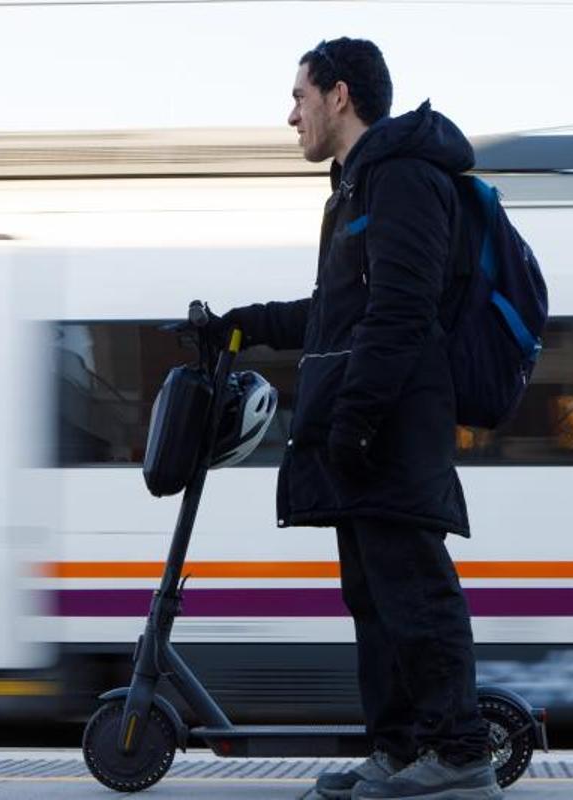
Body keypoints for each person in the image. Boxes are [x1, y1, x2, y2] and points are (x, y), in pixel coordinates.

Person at [209, 36, 501, 800]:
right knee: (374, 599)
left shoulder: (402, 177)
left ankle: (462, 752)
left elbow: (402, 314)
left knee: (413, 591)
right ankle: (403, 750)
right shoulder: (354, 188)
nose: (291, 114)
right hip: (366, 427)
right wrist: (238, 324)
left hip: (394, 427)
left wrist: (358, 422)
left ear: (339, 96)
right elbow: (334, 316)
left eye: (299, 96)